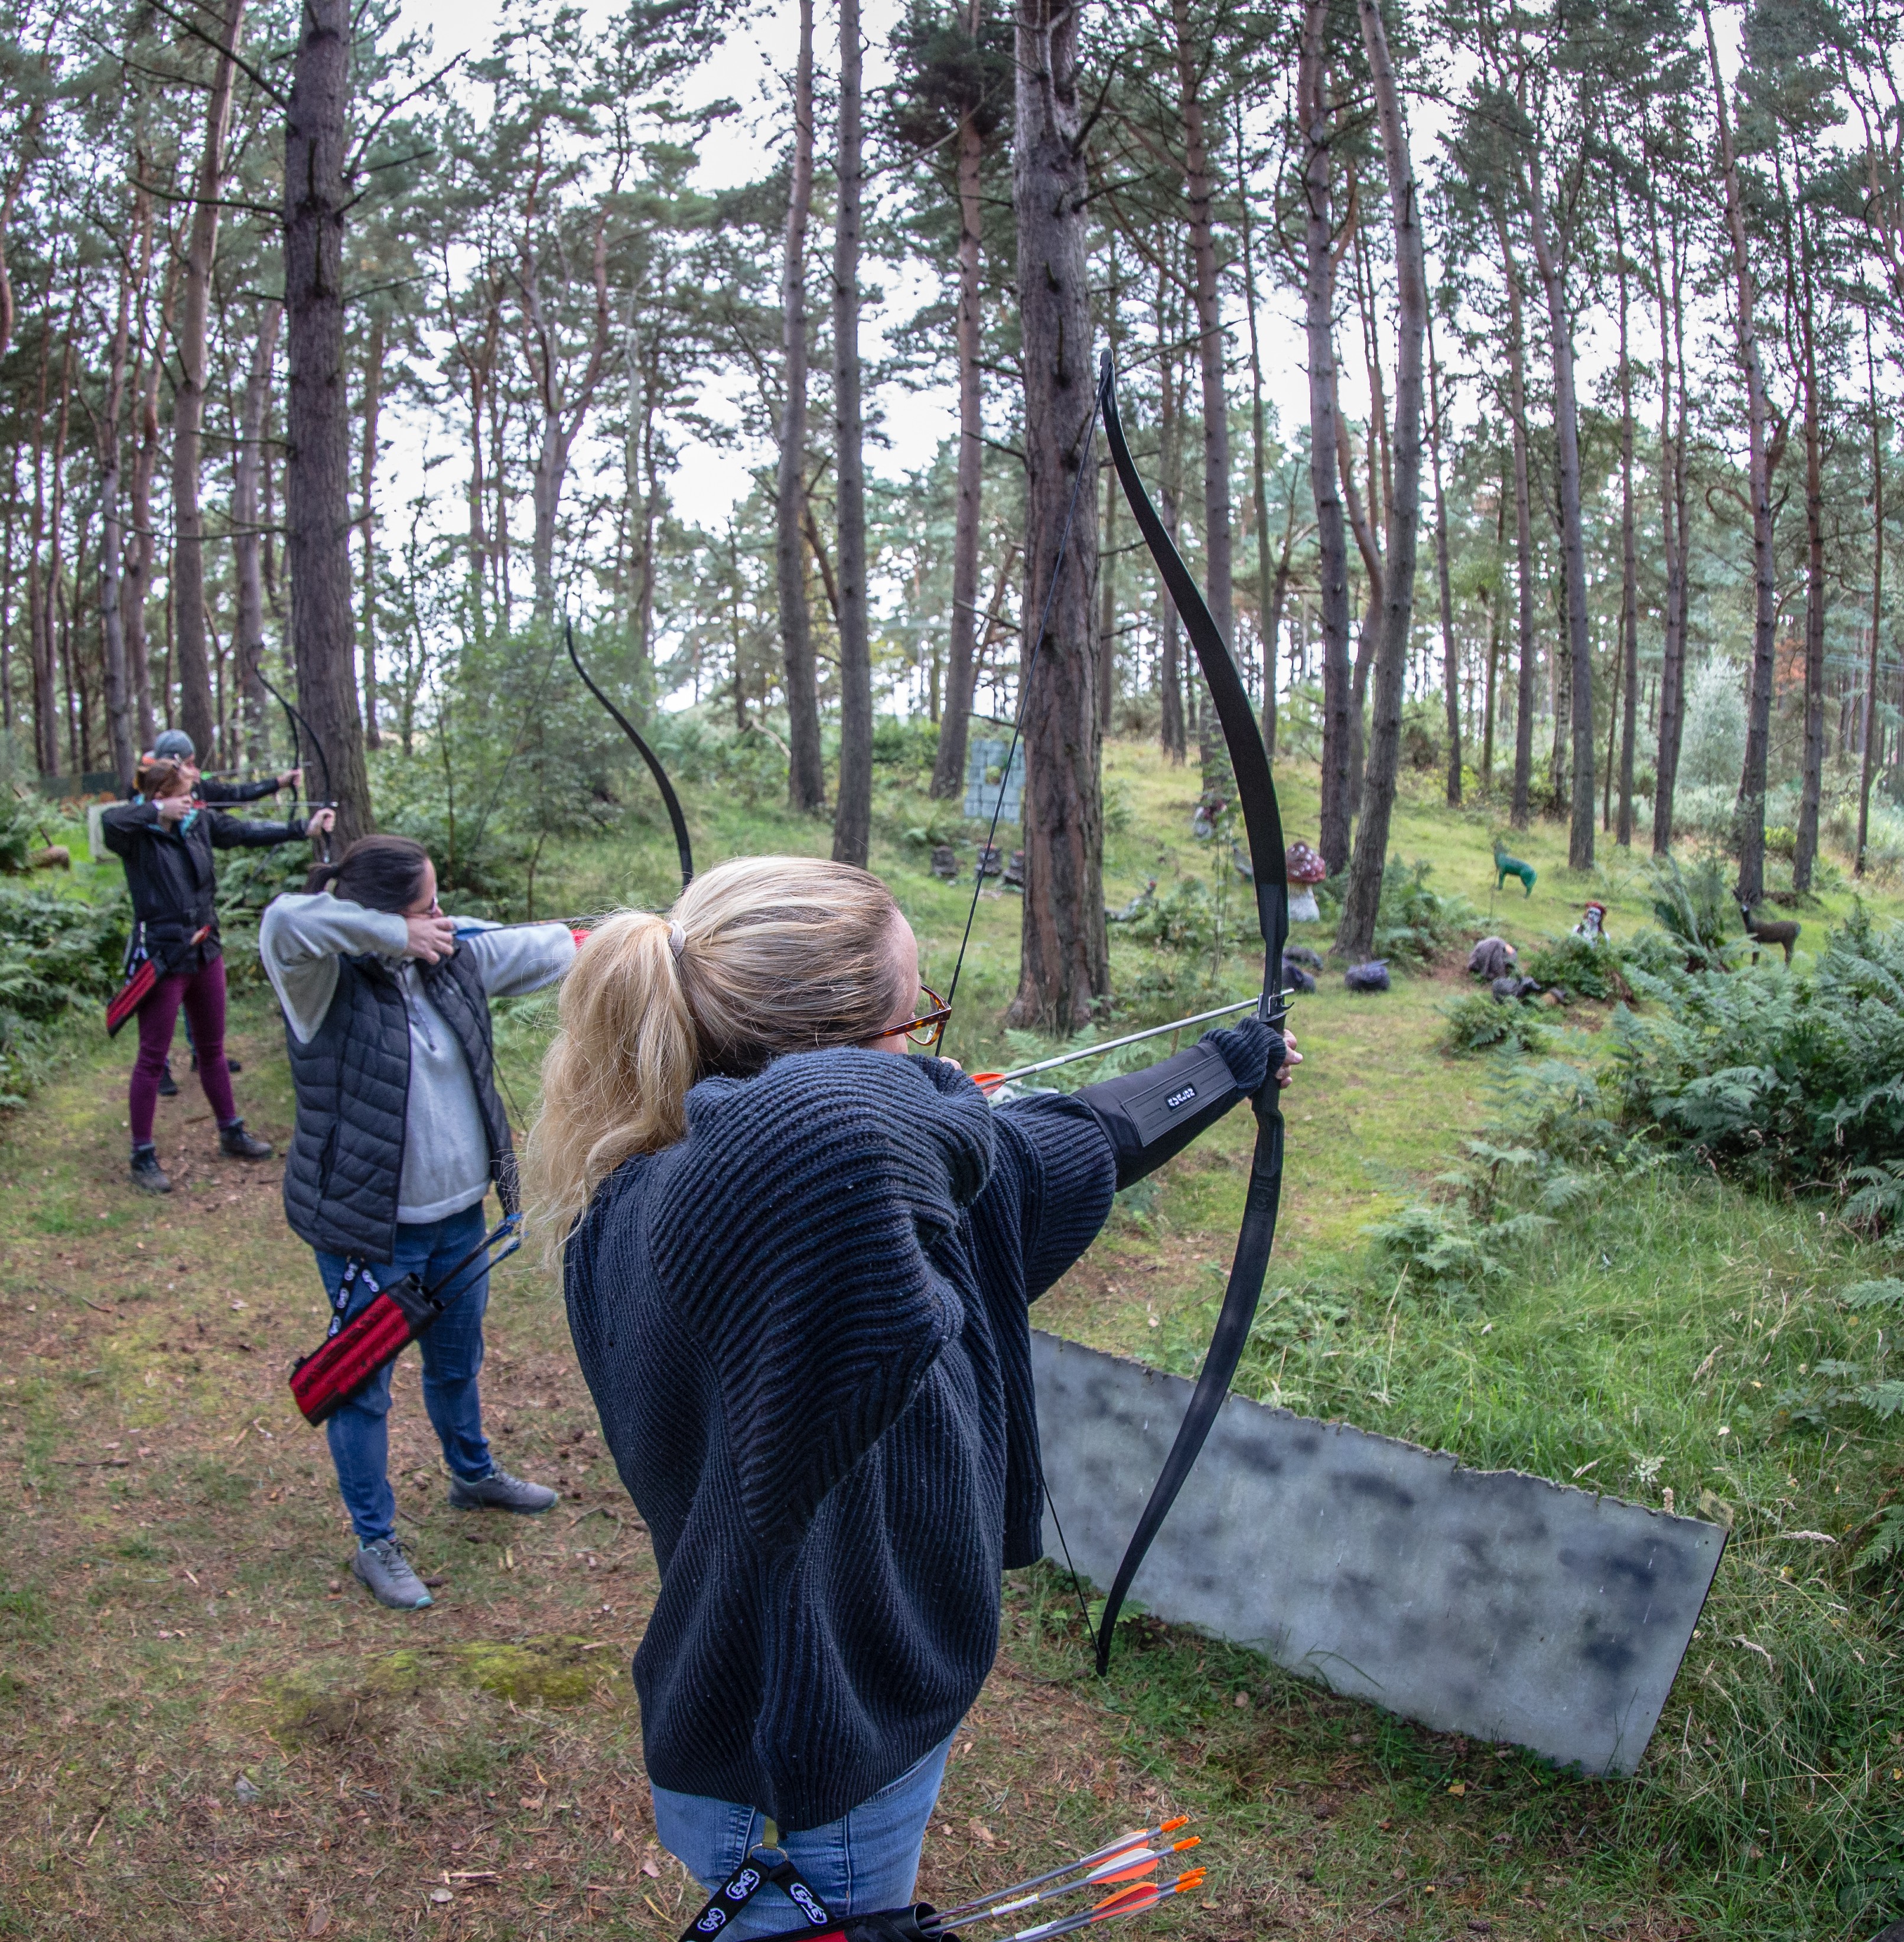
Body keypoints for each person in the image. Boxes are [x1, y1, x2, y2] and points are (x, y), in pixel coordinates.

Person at [527, 856, 1301, 1937]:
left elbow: (1058, 1148)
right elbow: (847, 1137)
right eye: (913, 1020)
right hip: (806, 1759)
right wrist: (942, 1100)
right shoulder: (721, 1208)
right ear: (835, 1054)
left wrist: (1225, 1065)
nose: (935, 1056)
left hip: (812, 1717)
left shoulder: (821, 1202)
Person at [260, 834, 575, 1611]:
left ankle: (471, 1473)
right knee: (362, 1388)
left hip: (458, 1216)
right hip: (367, 1228)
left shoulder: (450, 956)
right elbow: (283, 921)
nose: (442, 917)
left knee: (456, 1358)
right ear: (380, 920)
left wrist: (636, 934)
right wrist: (396, 935)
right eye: (424, 907)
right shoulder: (319, 977)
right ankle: (376, 1540)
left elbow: (541, 948)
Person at [102, 756, 334, 1195]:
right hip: (165, 956)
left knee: (211, 1048)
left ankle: (231, 1130)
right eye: (183, 791)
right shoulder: (135, 834)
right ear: (160, 797)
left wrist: (304, 827)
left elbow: (245, 832)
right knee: (152, 1057)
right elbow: (112, 820)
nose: (192, 798)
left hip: (205, 950)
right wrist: (156, 812)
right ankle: (142, 1153)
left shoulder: (199, 825)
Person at [136, 728, 303, 1094]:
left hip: (196, 918)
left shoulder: (199, 795)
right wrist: (160, 809)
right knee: (160, 990)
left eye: (196, 763)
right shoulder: (145, 803)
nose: (196, 770)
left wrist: (280, 783)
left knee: (196, 984)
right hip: (157, 911)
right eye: (189, 763)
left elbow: (236, 798)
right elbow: (120, 820)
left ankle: (202, 1053)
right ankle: (159, 1066)